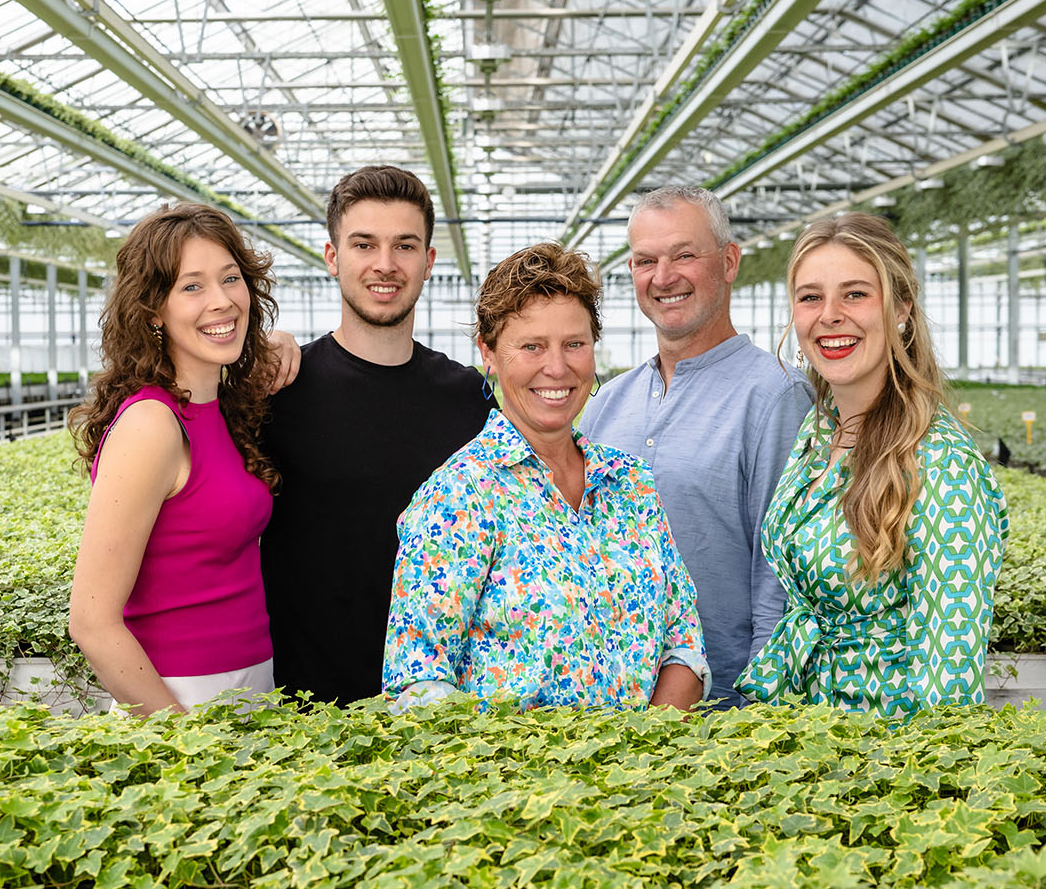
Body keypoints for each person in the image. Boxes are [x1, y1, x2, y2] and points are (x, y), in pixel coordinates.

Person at [382, 243, 709, 710]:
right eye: (532, 346)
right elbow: (415, 685)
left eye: (573, 344)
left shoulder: (631, 483)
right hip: (516, 780)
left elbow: (684, 643)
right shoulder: (461, 495)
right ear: (489, 353)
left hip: (645, 776)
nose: (557, 368)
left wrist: (639, 758)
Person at [737, 213, 1008, 719]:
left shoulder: (941, 463)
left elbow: (950, 680)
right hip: (808, 737)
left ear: (902, 307)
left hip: (885, 760)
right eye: (810, 296)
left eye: (856, 294)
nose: (830, 315)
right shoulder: (819, 434)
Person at [259, 166, 490, 705]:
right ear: (333, 257)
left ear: (429, 262)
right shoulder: (278, 389)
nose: (385, 265)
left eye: (404, 246)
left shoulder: (468, 400)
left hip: (438, 711)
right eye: (364, 244)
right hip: (299, 711)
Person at [581, 186, 813, 707]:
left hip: (725, 716)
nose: (663, 278)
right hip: (610, 718)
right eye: (646, 261)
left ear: (729, 262)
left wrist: (758, 716)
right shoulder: (606, 403)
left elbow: (780, 578)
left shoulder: (777, 395)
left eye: (684, 255)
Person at [66, 203, 280, 714]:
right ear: (152, 311)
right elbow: (91, 621)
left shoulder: (227, 406)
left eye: (231, 278)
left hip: (252, 685)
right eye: (192, 286)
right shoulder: (152, 425)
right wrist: (180, 738)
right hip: (182, 698)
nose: (222, 301)